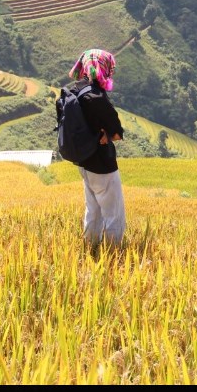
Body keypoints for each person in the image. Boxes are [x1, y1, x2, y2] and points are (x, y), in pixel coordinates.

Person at [68, 49, 126, 246]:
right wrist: (106, 133)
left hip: (84, 162)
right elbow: (117, 133)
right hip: (103, 164)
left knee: (93, 210)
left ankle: (90, 247)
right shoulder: (97, 98)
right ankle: (113, 252)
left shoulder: (77, 91)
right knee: (114, 214)